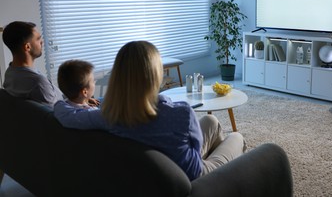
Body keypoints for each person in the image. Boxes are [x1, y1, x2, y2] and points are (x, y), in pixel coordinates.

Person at [54, 41, 246, 180]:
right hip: (191, 178)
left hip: (157, 175)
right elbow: (195, 149)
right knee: (236, 137)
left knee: (212, 122)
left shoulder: (107, 115)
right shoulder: (181, 113)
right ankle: (220, 182)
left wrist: (73, 101)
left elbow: (66, 114)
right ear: (155, 75)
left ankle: (222, 180)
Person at [2, 21, 64, 106]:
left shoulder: (10, 73)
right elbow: (58, 115)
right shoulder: (38, 82)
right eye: (38, 39)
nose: (42, 42)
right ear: (27, 47)